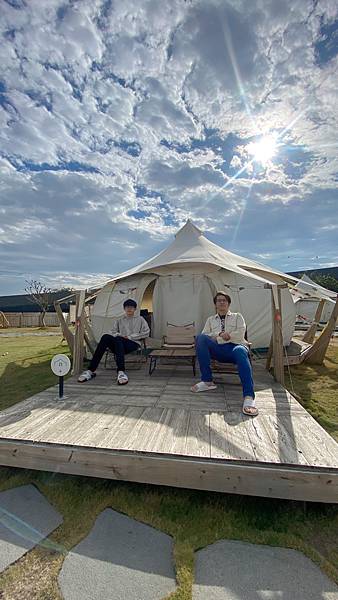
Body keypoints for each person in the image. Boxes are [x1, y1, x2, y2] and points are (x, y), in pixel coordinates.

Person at [191, 291, 257, 416]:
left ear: (228, 303)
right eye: (219, 300)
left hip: (235, 348)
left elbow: (240, 334)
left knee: (240, 350)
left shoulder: (238, 316)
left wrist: (223, 338)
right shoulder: (210, 320)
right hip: (218, 350)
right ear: (215, 304)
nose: (221, 302)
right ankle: (207, 381)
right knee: (200, 338)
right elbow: (206, 335)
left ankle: (249, 396)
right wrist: (220, 335)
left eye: (224, 300)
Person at [78, 299, 150, 385]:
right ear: (124, 309)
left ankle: (121, 371)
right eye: (127, 307)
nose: (129, 309)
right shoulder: (120, 320)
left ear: (135, 309)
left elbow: (146, 332)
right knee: (106, 337)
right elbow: (113, 332)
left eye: (131, 307)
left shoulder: (140, 319)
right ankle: (90, 370)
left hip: (133, 343)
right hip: (119, 344)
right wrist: (120, 335)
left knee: (118, 339)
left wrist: (129, 337)